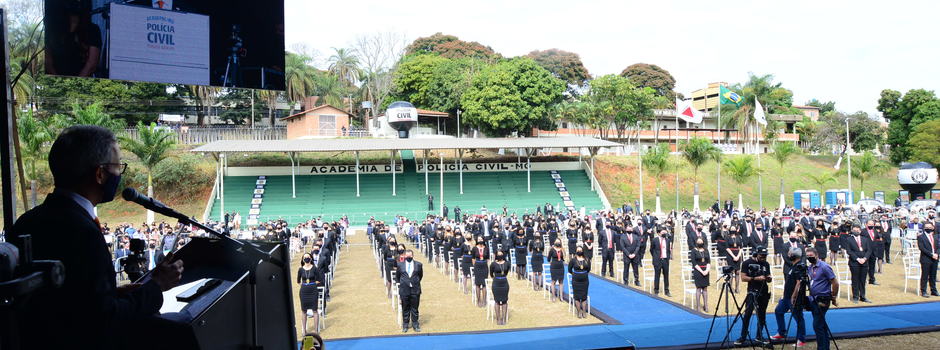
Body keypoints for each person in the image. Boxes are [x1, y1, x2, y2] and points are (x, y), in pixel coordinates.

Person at [9, 125, 185, 349]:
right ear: (100, 174)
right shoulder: (82, 231)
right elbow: (102, 319)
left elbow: (68, 301)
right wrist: (156, 286)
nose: (119, 175)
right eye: (117, 167)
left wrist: (112, 292)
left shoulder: (27, 221)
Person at [802, 247, 838, 350]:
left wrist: (833, 296)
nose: (809, 258)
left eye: (811, 256)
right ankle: (825, 347)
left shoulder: (824, 267)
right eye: (807, 256)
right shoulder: (810, 268)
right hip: (813, 299)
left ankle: (822, 348)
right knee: (820, 324)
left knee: (817, 325)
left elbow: (835, 282)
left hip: (823, 299)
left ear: (816, 255)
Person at [735, 246, 772, 346]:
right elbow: (743, 278)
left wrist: (768, 278)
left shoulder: (766, 263)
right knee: (747, 314)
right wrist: (755, 278)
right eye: (761, 256)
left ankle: (759, 336)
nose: (763, 258)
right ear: (756, 254)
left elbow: (768, 277)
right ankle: (743, 337)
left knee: (762, 315)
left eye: (765, 256)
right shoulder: (747, 263)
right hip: (752, 291)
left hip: (764, 291)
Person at [771, 247, 806, 347]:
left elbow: (799, 283)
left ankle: (801, 339)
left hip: (793, 298)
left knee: (798, 318)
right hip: (786, 297)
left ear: (794, 255)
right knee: (778, 311)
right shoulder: (793, 266)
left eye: (790, 254)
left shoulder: (799, 267)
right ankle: (781, 332)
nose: (788, 255)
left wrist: (793, 296)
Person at [297, 252, 324, 334]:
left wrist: (312, 284)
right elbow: (298, 281)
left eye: (308, 257)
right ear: (302, 259)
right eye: (305, 257)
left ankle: (316, 330)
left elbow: (319, 279)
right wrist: (305, 285)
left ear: (311, 258)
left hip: (313, 291)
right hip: (304, 292)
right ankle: (304, 331)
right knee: (303, 311)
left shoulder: (315, 268)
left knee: (314, 310)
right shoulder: (300, 269)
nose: (306, 258)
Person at [397, 250, 423, 333]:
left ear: (412, 256)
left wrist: (414, 282)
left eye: (410, 256)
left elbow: (420, 276)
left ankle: (415, 324)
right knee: (405, 308)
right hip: (404, 290)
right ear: (404, 256)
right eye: (407, 256)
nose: (408, 257)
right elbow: (398, 277)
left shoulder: (418, 265)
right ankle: (405, 324)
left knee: (415, 308)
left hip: (415, 289)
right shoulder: (400, 265)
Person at [845, 224, 871, 303]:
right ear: (852, 230)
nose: (856, 231)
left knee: (863, 280)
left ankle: (863, 296)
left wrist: (865, 258)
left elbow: (869, 250)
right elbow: (849, 251)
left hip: (864, 262)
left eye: (858, 230)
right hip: (854, 263)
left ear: (860, 230)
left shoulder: (865, 239)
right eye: (855, 230)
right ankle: (855, 296)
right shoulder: (849, 239)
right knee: (855, 279)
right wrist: (857, 259)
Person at [917, 222, 939, 297]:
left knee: (933, 276)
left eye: (930, 227)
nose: (928, 228)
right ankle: (923, 291)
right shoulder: (921, 237)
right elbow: (921, 248)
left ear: (933, 228)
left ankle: (933, 290)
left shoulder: (936, 236)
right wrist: (931, 254)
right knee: (925, 276)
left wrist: (937, 254)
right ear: (924, 228)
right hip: (926, 259)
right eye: (927, 227)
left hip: (935, 258)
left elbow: (938, 247)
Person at [569, 246, 591, 318]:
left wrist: (583, 274)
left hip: (585, 281)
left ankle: (584, 312)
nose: (579, 251)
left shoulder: (587, 259)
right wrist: (575, 274)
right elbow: (569, 269)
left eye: (580, 250)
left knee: (584, 297)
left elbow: (588, 269)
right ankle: (579, 312)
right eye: (578, 250)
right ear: (576, 251)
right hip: (576, 281)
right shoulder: (573, 260)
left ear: (583, 251)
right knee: (577, 297)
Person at [490, 251, 511, 325]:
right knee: (497, 301)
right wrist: (496, 278)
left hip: (504, 283)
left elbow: (507, 271)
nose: (499, 256)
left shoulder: (507, 263)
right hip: (496, 284)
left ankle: (504, 318)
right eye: (498, 255)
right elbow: (491, 273)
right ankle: (498, 319)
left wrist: (502, 277)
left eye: (501, 254)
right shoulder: (493, 264)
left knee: (504, 301)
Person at [690, 238, 711, 312]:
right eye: (698, 242)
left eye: (701, 242)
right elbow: (694, 263)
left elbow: (708, 261)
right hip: (698, 271)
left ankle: (706, 305)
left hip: (706, 271)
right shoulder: (693, 251)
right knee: (698, 288)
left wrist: (707, 270)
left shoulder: (706, 250)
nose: (700, 243)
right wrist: (702, 271)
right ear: (696, 243)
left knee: (705, 288)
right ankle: (698, 306)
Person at [651, 228, 672, 296]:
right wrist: (656, 257)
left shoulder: (667, 240)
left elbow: (668, 250)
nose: (664, 233)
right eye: (663, 232)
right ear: (659, 233)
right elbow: (651, 250)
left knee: (666, 275)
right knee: (657, 275)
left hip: (665, 260)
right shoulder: (655, 240)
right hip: (658, 260)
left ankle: (667, 290)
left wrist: (667, 257)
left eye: (665, 232)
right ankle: (656, 290)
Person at [472, 239, 490, 307]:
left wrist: (485, 264)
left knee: (484, 284)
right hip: (477, 266)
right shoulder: (474, 248)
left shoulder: (486, 248)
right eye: (479, 239)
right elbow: (473, 258)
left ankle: (484, 300)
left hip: (484, 266)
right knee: (478, 284)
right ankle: (479, 300)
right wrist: (475, 266)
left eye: (481, 239)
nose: (480, 240)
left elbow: (488, 258)